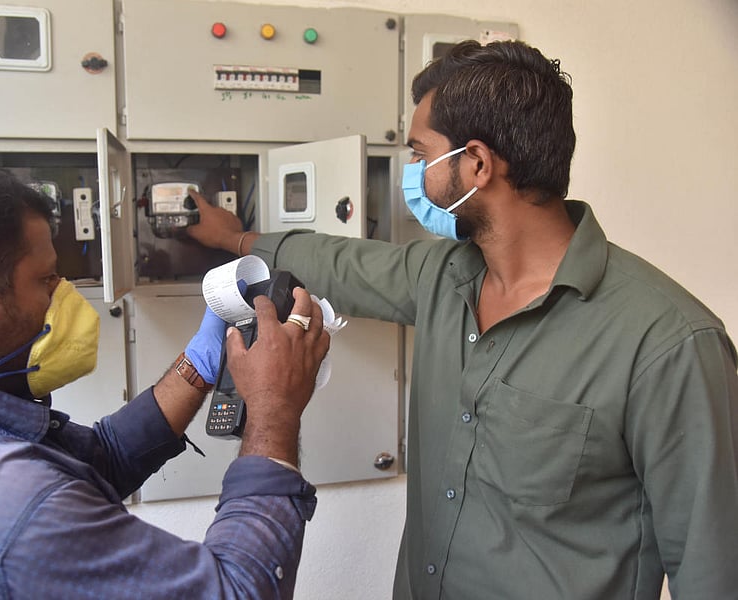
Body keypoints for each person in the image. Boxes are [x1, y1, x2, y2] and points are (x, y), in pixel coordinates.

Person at [186, 39, 738, 599]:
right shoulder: (441, 278)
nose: (413, 176)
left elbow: (713, 569)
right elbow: (339, 264)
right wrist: (232, 237)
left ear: (475, 163)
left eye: (422, 156)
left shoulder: (668, 344)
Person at [0, 158, 330, 599]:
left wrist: (197, 367)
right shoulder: (11, 508)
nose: (63, 293)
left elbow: (102, 459)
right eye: (46, 279)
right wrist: (273, 409)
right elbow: (240, 592)